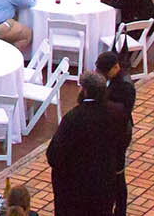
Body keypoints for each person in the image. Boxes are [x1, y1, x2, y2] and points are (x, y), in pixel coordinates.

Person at [46, 73, 128, 216]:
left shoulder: (73, 118)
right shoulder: (118, 112)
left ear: (85, 91)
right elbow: (123, 140)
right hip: (105, 182)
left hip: (75, 189)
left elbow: (54, 155)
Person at [97, 49, 137, 215]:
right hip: (115, 133)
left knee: (117, 175)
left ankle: (120, 210)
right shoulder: (117, 81)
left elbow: (121, 114)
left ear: (115, 68)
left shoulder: (125, 87)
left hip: (119, 136)